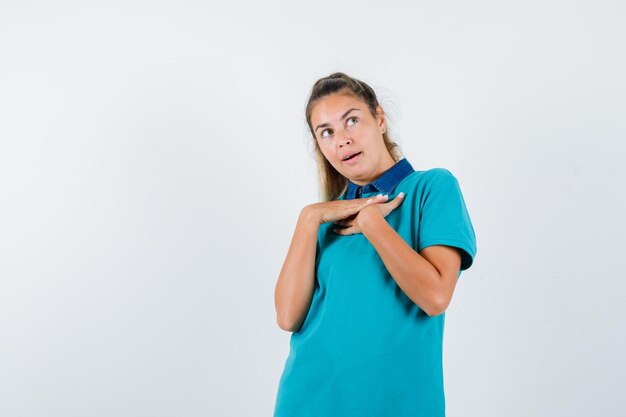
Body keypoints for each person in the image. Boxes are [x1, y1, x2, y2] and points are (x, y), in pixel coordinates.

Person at [273, 72, 477, 417]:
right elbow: (288, 317)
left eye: (351, 120)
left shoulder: (432, 188)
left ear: (379, 119)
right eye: (327, 132)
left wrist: (371, 222)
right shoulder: (326, 217)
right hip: (308, 401)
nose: (342, 140)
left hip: (397, 404)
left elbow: (435, 297)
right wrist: (308, 218)